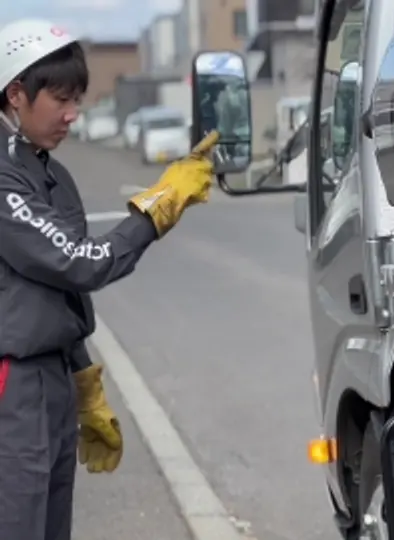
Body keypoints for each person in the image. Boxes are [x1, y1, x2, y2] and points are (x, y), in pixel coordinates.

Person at [0, 18, 219, 540]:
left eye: (78, 99)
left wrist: (82, 382)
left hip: (49, 376)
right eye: (61, 100)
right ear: (15, 94)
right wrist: (157, 207)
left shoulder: (47, 170)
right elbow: (81, 261)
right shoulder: (4, 177)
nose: (74, 114)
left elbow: (61, 291)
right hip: (13, 384)